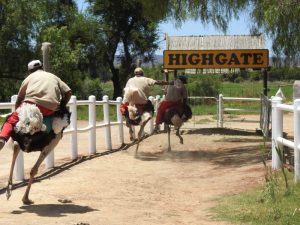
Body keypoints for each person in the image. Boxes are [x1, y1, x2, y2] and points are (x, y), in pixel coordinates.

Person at [0, 60, 72, 150]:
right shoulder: (53, 76)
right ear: (41, 67)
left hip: (31, 105)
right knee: (51, 123)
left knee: (10, 121)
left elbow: (19, 99)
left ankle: (2, 139)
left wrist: (18, 115)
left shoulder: (29, 78)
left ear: (30, 71)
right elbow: (68, 92)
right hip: (50, 108)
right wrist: (62, 105)